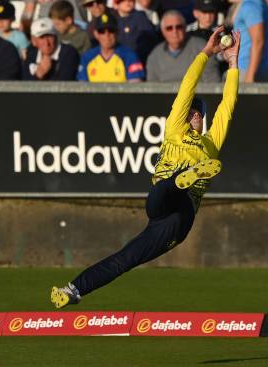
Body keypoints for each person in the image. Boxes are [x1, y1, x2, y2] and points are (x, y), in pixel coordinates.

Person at [51, 27, 241, 308]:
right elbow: (187, 85)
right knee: (141, 229)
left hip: (181, 216)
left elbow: (229, 104)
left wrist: (234, 64)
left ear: (203, 118)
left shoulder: (210, 145)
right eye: (191, 112)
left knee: (137, 241)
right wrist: (205, 53)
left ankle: (181, 181)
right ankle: (73, 290)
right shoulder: (174, 129)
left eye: (198, 113)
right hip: (161, 206)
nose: (194, 115)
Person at [146, 10, 221, 81]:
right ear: (163, 31)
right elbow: (152, 87)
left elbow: (212, 82)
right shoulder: (155, 56)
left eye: (179, 27)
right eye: (169, 28)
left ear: (185, 28)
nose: (174, 31)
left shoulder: (202, 48)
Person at [77, 13, 145, 81]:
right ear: (96, 34)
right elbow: (82, 86)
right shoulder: (87, 58)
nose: (107, 35)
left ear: (117, 32)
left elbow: (135, 85)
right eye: (102, 31)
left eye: (111, 30)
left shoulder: (130, 56)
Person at [233, 0, 268, 82]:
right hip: (249, 70)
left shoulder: (251, 5)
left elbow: (258, 41)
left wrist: (250, 75)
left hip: (248, 71)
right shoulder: (252, 4)